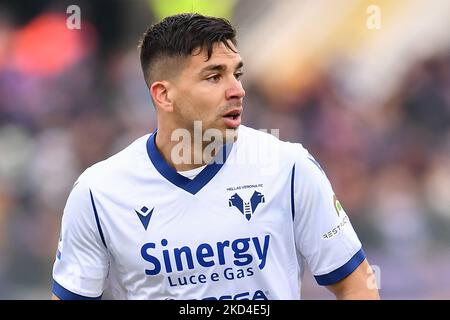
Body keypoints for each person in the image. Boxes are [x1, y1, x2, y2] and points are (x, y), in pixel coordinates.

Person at [51, 13, 380, 300]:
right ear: (163, 95)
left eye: (237, 73)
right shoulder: (98, 192)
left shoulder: (289, 168)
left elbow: (357, 285)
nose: (237, 89)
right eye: (214, 76)